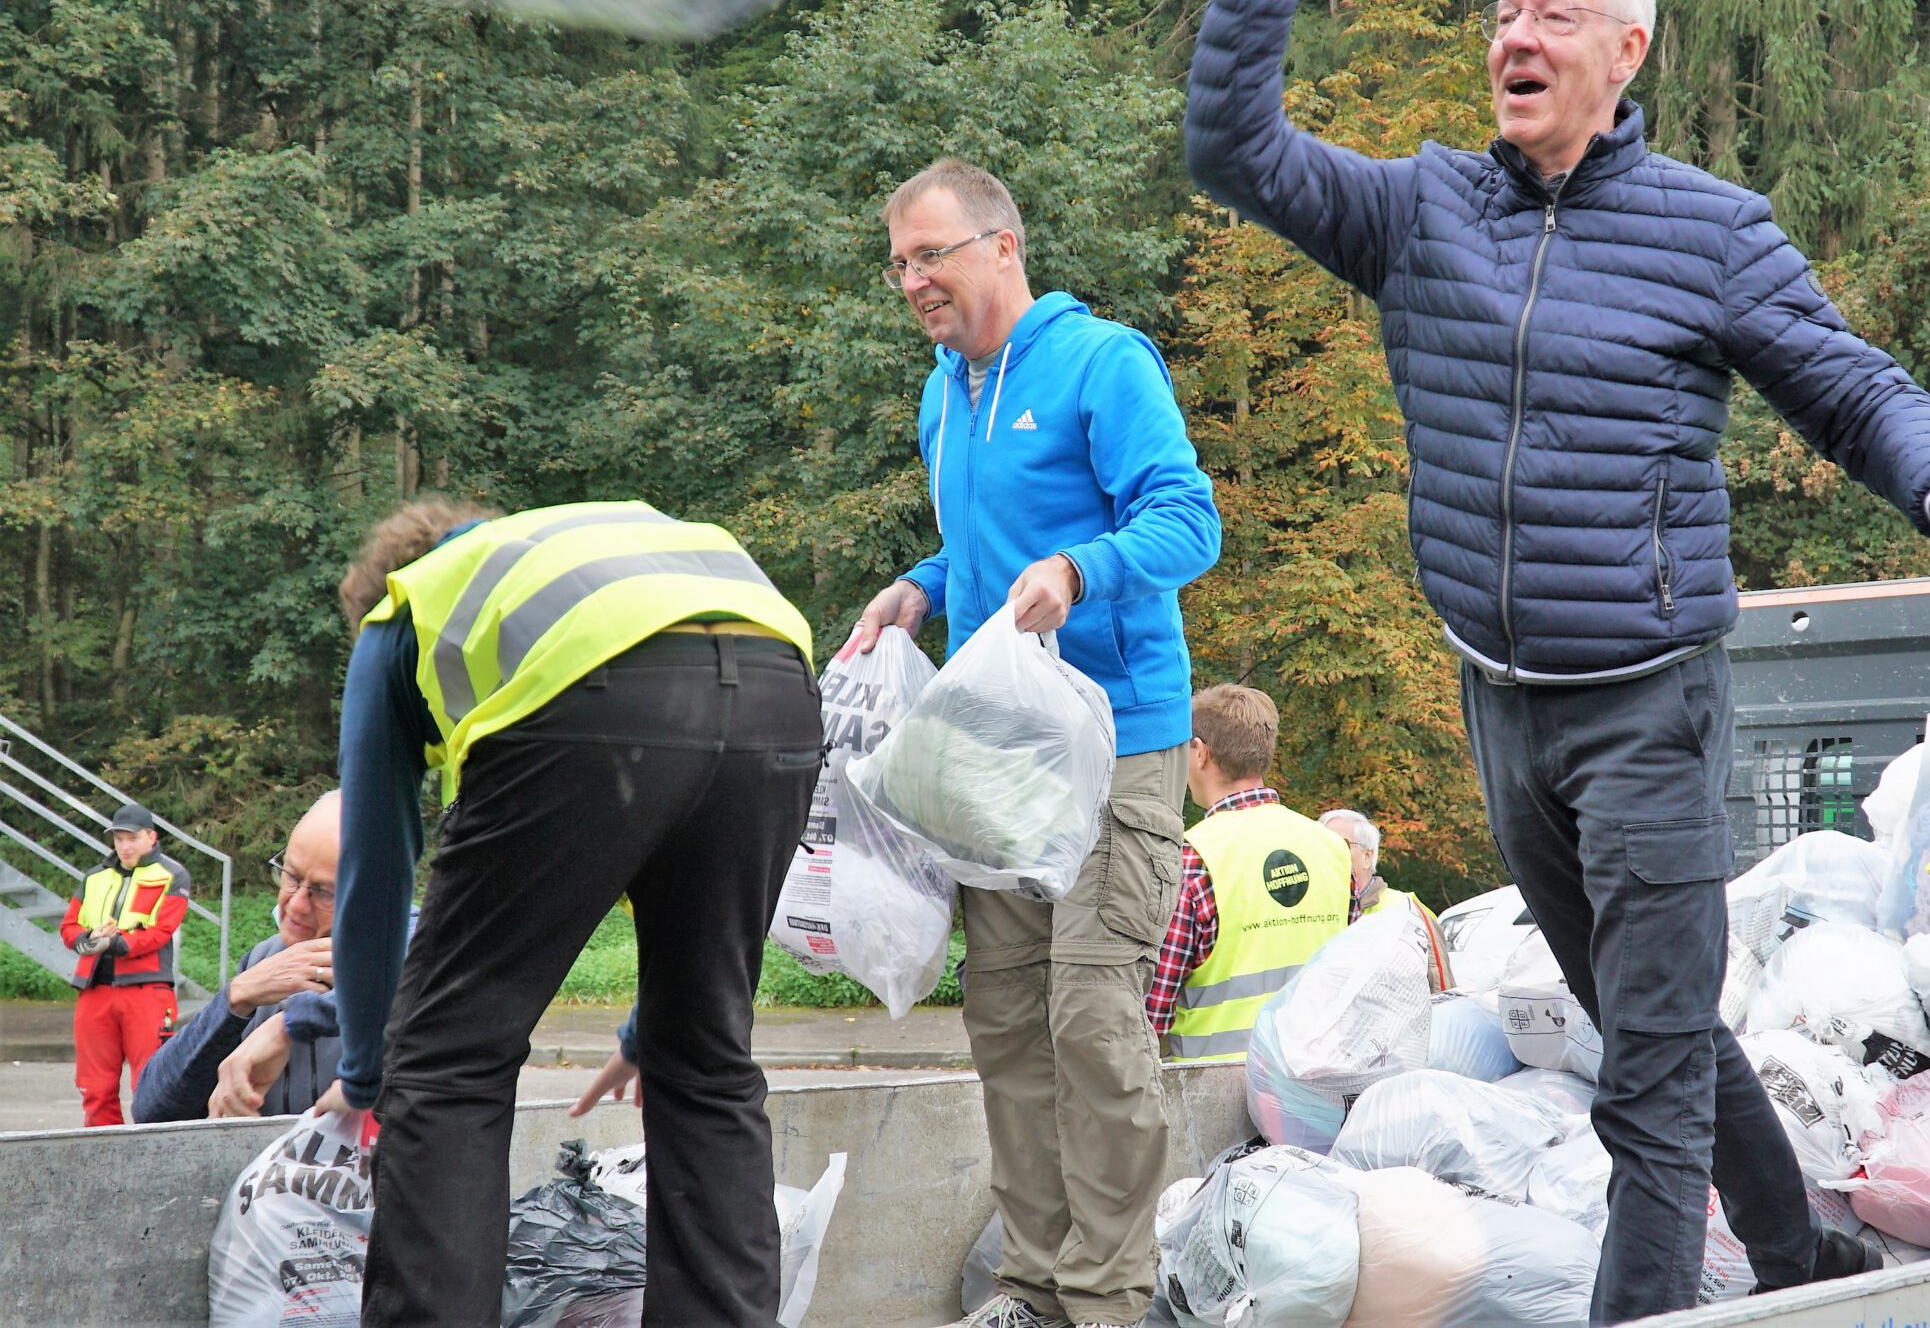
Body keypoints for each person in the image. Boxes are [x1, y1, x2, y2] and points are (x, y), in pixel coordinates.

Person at [1183, 0, 1930, 1323]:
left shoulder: (1708, 229)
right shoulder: (1419, 214)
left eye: (1554, 18)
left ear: (1627, 51)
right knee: (1640, 1023)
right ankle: (1802, 1261)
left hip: (1646, 704)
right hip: (1497, 700)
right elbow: (1233, 149)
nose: (1515, 38)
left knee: (1643, 1085)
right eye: (1505, 15)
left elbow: (1849, 385)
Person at [844, 157, 1220, 1328]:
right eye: (899, 261)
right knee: (1004, 1020)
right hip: (997, 751)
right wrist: (917, 586)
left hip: (1118, 739)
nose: (912, 280)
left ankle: (1109, 1298)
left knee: (1093, 1021)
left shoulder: (1101, 361)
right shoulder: (941, 391)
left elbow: (1186, 518)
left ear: (1003, 243)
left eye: (932, 253)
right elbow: (974, 549)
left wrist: (1080, 567)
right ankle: (1035, 1288)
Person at [320, 496, 822, 1328]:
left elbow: (375, 867)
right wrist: (643, 1034)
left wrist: (371, 1071)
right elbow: (671, 815)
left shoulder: (406, 604)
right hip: (783, 689)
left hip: (593, 695)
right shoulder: (584, 552)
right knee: (704, 1059)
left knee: (450, 1062)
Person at [1146, 685, 1353, 1060]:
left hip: (1215, 1087)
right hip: (1318, 1080)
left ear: (1199, 751)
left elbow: (1152, 1011)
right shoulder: (1332, 848)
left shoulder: (1192, 857)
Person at [134, 791, 345, 1122]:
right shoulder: (265, 960)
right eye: (291, 876)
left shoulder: (413, 963)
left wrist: (288, 1025)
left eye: (324, 892)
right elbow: (152, 1110)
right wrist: (235, 997)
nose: (296, 904)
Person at [62, 801, 190, 1126]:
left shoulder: (172, 875)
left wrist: (116, 943)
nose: (125, 846)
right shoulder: (95, 877)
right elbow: (69, 927)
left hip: (146, 990)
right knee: (95, 1087)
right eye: (119, 839)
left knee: (150, 1084)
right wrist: (87, 939)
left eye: (131, 838)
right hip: (94, 991)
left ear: (152, 837)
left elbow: (161, 932)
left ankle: (151, 1160)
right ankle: (102, 1159)